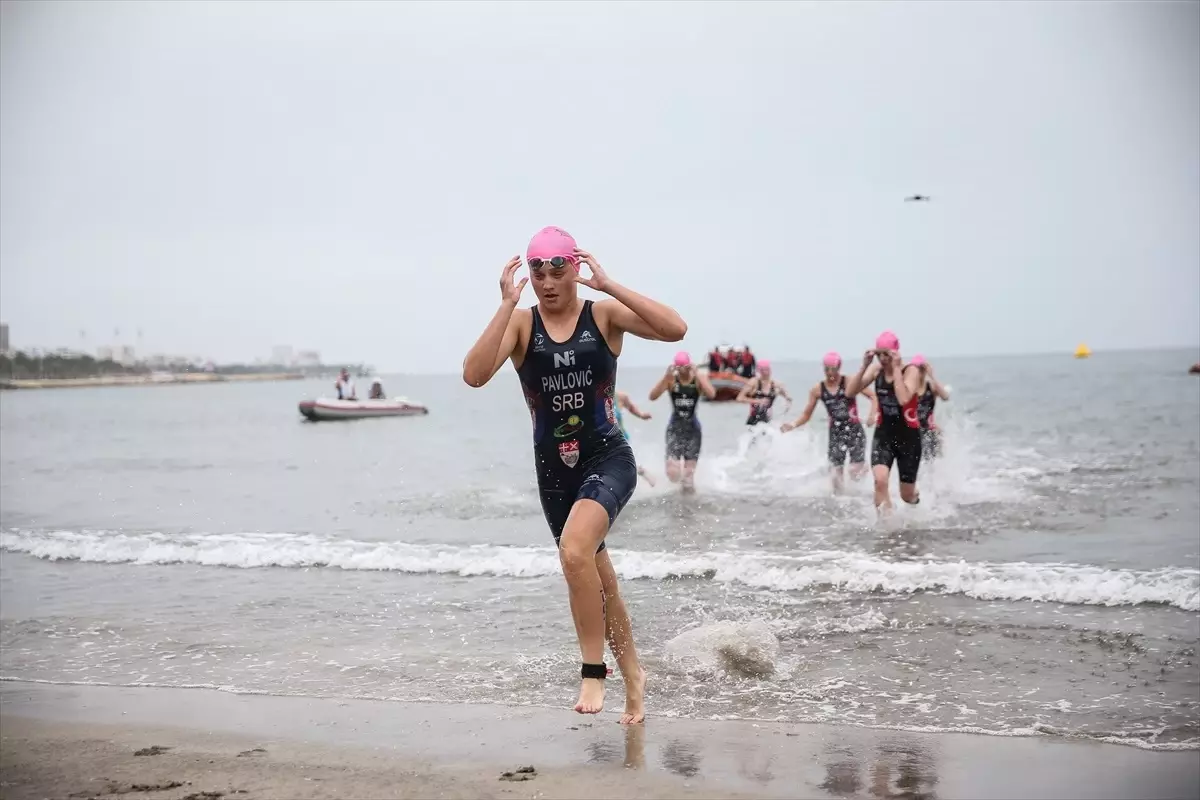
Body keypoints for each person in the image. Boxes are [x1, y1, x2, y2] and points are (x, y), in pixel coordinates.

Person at [461, 226, 686, 724]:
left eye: (557, 270)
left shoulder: (601, 315)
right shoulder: (522, 325)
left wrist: (610, 286)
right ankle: (635, 677)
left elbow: (675, 329)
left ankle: (592, 670)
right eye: (537, 272)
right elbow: (474, 375)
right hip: (554, 474)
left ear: (575, 268)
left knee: (573, 551)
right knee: (601, 583)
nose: (547, 282)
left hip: (608, 459)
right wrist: (506, 305)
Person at [844, 331, 924, 514]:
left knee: (907, 496)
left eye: (886, 354)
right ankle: (887, 524)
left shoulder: (911, 371)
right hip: (884, 436)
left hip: (908, 438)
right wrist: (864, 366)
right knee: (880, 481)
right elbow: (849, 392)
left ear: (895, 352)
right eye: (879, 354)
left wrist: (896, 369)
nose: (882, 359)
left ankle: (918, 501)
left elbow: (903, 399)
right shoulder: (876, 370)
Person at [781, 351, 878, 493]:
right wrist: (793, 424)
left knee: (855, 471)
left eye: (834, 369)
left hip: (854, 429)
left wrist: (872, 415)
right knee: (835, 473)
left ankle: (859, 495)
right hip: (835, 432)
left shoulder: (849, 381)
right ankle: (839, 500)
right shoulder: (817, 390)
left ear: (839, 367)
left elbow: (873, 396)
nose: (830, 373)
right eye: (827, 369)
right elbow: (807, 414)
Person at [648, 351, 716, 492]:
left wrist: (698, 374)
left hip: (693, 429)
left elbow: (711, 394)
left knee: (688, 477)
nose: (681, 371)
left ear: (689, 366)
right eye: (678, 368)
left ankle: (689, 503)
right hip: (675, 428)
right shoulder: (671, 380)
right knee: (673, 473)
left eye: (684, 367)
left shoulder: (698, 379)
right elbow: (652, 396)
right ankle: (675, 493)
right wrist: (665, 377)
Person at [910, 355, 950, 460]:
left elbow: (945, 397)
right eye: (916, 369)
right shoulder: (909, 388)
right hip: (913, 431)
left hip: (929, 430)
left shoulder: (931, 386)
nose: (919, 372)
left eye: (921, 369)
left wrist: (932, 376)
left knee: (934, 460)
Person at [615, 390, 657, 486]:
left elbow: (631, 407)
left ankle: (641, 472)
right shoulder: (594, 398)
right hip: (602, 439)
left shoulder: (619, 397)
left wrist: (642, 415)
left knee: (623, 464)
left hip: (620, 438)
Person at [736, 359, 792, 426]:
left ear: (770, 370)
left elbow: (787, 398)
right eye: (762, 370)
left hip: (768, 421)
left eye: (767, 369)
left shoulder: (776, 384)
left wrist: (788, 403)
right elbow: (739, 398)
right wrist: (757, 401)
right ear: (759, 371)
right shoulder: (754, 382)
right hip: (753, 420)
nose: (765, 372)